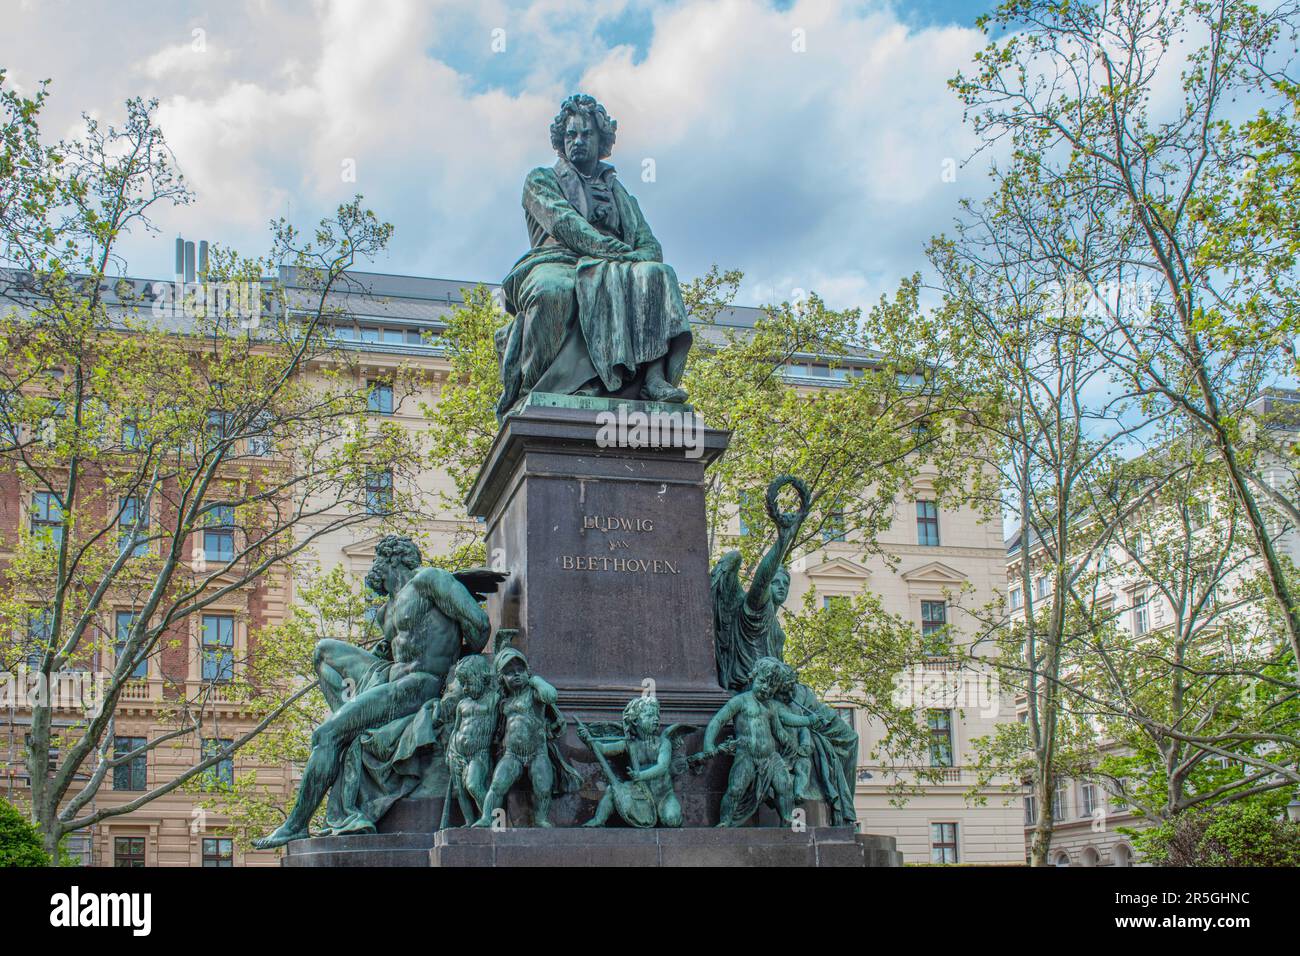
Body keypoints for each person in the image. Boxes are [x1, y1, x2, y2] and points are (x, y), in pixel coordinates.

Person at [494, 93, 693, 418]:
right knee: (552, 291)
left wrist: (632, 259)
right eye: (571, 134)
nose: (578, 141)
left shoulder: (620, 193)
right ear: (561, 140)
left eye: (587, 134)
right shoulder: (541, 179)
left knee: (659, 274)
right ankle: (535, 387)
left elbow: (649, 245)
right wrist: (616, 253)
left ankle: (655, 378)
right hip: (555, 261)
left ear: (602, 139)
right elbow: (565, 224)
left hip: (613, 267)